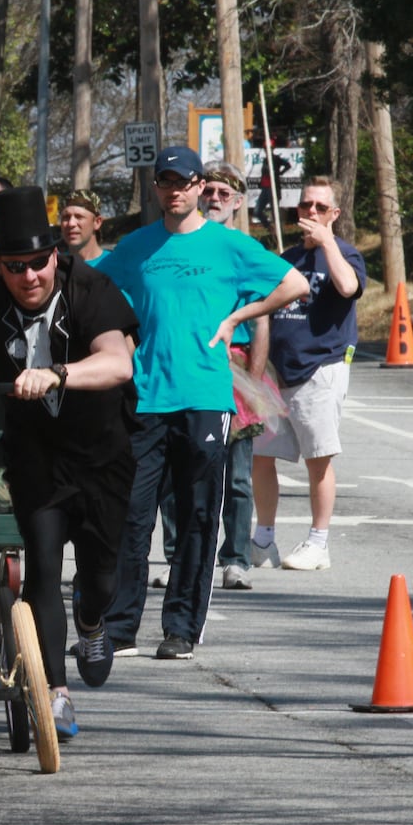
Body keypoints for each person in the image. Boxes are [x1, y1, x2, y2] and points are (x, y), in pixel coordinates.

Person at [0, 185, 139, 739]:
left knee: (101, 577)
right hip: (36, 452)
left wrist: (57, 374)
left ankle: (91, 621)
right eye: (15, 266)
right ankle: (56, 693)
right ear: (0, 265)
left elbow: (118, 363)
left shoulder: (89, 286)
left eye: (38, 263)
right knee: (43, 565)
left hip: (102, 451)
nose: (29, 276)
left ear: (54, 256)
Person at [99, 146, 307, 661]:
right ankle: (120, 627)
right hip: (147, 395)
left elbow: (295, 284)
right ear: (156, 188)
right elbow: (92, 287)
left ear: (197, 186)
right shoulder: (136, 247)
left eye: (183, 182)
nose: (175, 191)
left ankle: (181, 629)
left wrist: (239, 317)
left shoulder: (229, 246)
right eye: (165, 182)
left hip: (206, 397)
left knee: (197, 514)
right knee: (133, 514)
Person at [149, 162, 269, 592]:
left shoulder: (241, 249)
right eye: (210, 191)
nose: (215, 199)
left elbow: (262, 322)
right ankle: (177, 556)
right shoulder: (178, 242)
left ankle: (235, 558)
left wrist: (252, 385)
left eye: (224, 193)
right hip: (181, 370)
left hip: (233, 369)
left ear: (237, 202)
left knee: (237, 476)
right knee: (174, 475)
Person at [252, 176, 366, 572]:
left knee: (318, 460)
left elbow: (348, 287)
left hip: (320, 370)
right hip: (277, 375)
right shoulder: (287, 258)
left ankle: (318, 543)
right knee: (261, 458)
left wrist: (327, 242)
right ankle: (263, 539)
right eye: (305, 206)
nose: (311, 212)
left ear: (334, 213)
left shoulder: (347, 255)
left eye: (320, 207)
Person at [59, 189, 110, 270]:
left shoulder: (113, 263)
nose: (71, 223)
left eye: (79, 217)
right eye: (66, 217)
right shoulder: (54, 265)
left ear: (97, 222)